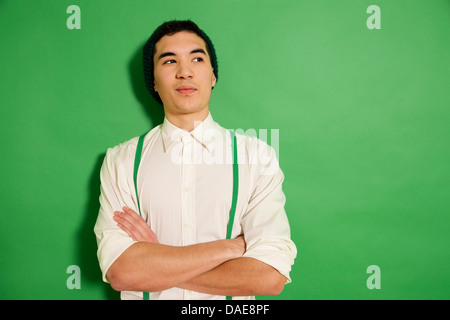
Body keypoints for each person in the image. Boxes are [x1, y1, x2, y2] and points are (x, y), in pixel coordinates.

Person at [94, 20, 297, 300]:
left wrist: (158, 260)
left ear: (213, 75)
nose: (184, 72)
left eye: (197, 59)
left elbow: (269, 277)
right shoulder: (121, 161)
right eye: (169, 61)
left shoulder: (257, 157)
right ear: (153, 80)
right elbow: (122, 273)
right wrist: (230, 248)